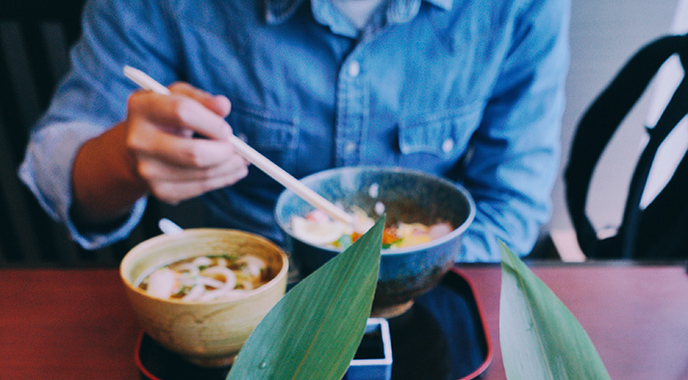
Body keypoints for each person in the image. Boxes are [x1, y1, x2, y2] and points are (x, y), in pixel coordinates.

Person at [19, 0, 570, 261]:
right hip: (243, 286)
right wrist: (124, 161)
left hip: (427, 293)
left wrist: (403, 266)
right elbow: (59, 165)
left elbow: (511, 207)